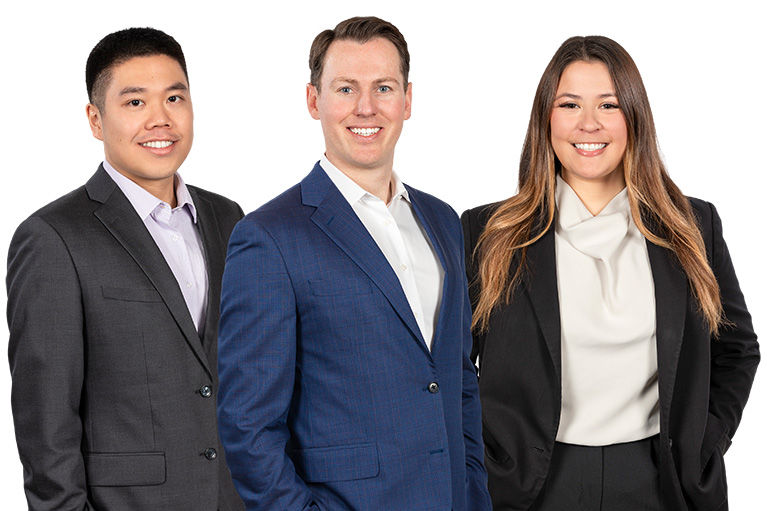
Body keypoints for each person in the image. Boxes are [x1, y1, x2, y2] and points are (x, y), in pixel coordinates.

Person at [462, 35, 760, 510]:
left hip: (661, 481)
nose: (588, 123)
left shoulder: (692, 225)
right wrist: (486, 454)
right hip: (528, 485)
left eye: (608, 104)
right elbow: (451, 364)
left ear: (634, 116)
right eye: (569, 103)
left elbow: (737, 348)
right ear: (546, 117)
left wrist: (704, 444)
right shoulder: (488, 231)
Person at [217, 16, 492, 511]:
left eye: (383, 87)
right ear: (313, 100)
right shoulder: (268, 237)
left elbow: (459, 386)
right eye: (345, 88)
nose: (366, 107)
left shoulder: (444, 221)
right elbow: (247, 427)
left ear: (407, 100)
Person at [6, 27, 245, 510]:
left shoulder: (229, 219)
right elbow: (46, 426)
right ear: (96, 119)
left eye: (175, 97)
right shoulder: (54, 238)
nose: (160, 119)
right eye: (135, 103)